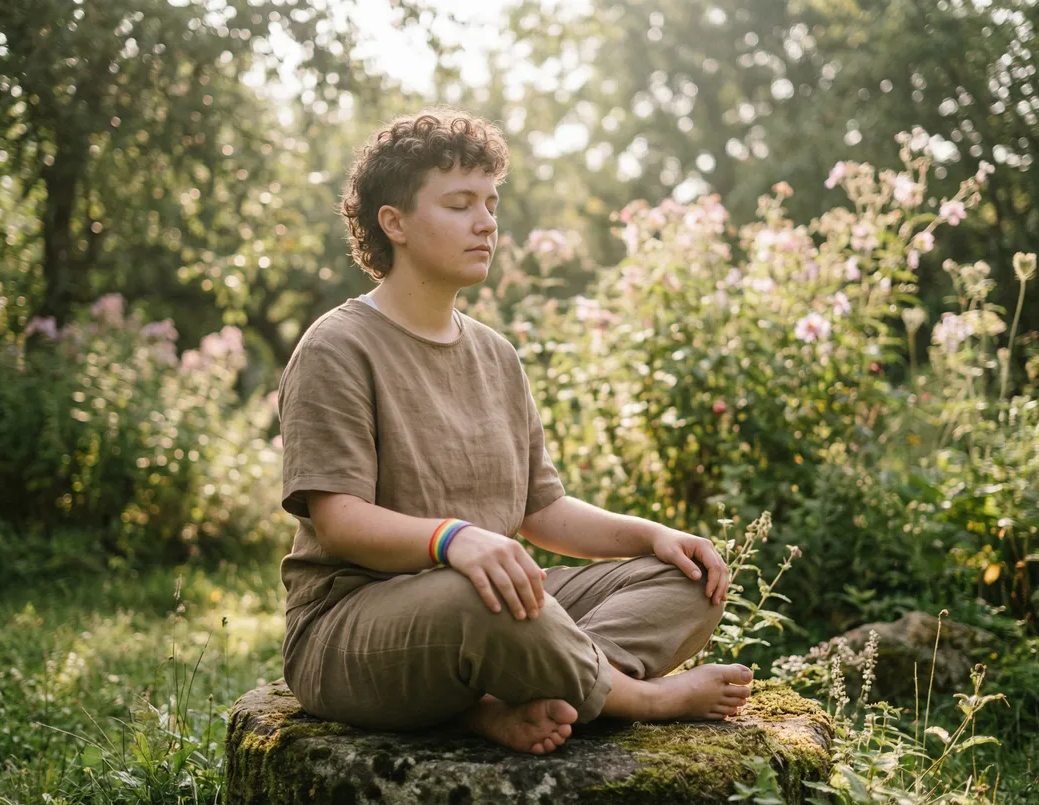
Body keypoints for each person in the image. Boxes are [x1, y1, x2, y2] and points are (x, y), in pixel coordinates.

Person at [277, 107, 753, 756]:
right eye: (460, 203)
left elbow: (541, 510)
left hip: (494, 603)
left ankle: (510, 696)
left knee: (687, 580)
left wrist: (654, 534)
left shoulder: (496, 354)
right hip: (353, 625)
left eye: (492, 203)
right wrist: (456, 539)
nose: (487, 222)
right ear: (395, 223)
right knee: (483, 599)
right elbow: (339, 521)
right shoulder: (337, 346)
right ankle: (637, 696)